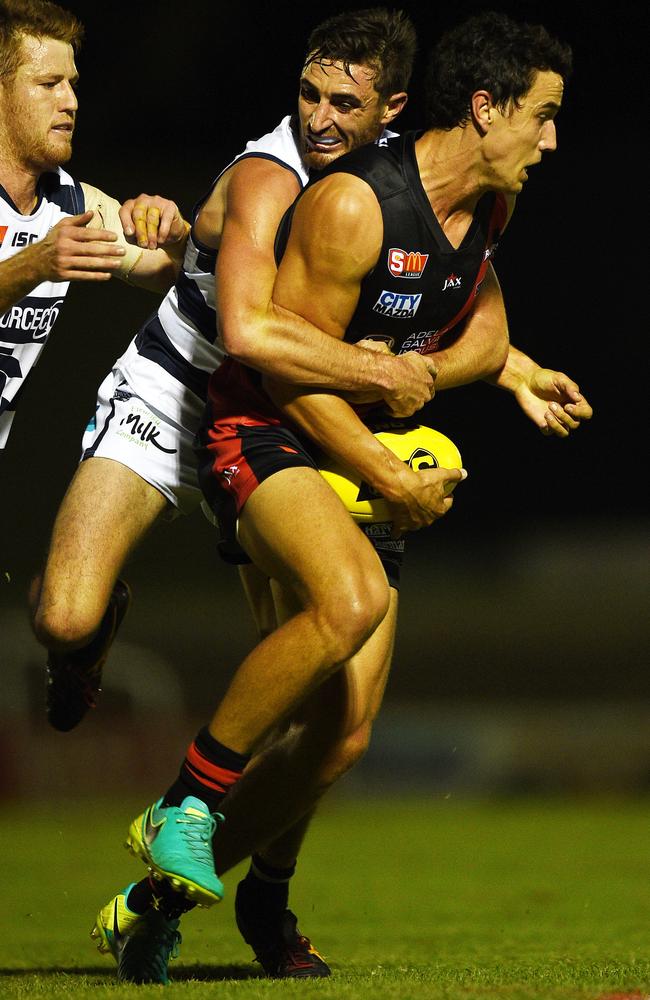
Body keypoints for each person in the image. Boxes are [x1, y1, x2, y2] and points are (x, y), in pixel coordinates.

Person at [106, 6, 591, 985]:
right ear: (485, 108)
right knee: (350, 600)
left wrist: (447, 378)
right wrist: (385, 462)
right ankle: (182, 806)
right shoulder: (355, 207)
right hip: (263, 435)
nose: (550, 139)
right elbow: (283, 374)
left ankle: (181, 900)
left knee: (341, 730)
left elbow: (482, 328)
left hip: (358, 451)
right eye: (539, 115)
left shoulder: (488, 207)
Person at [0, 0, 190, 453]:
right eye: (48, 84)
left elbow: (178, 278)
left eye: (72, 84)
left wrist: (182, 237)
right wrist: (35, 264)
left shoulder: (73, 203)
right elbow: (38, 262)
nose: (71, 101)